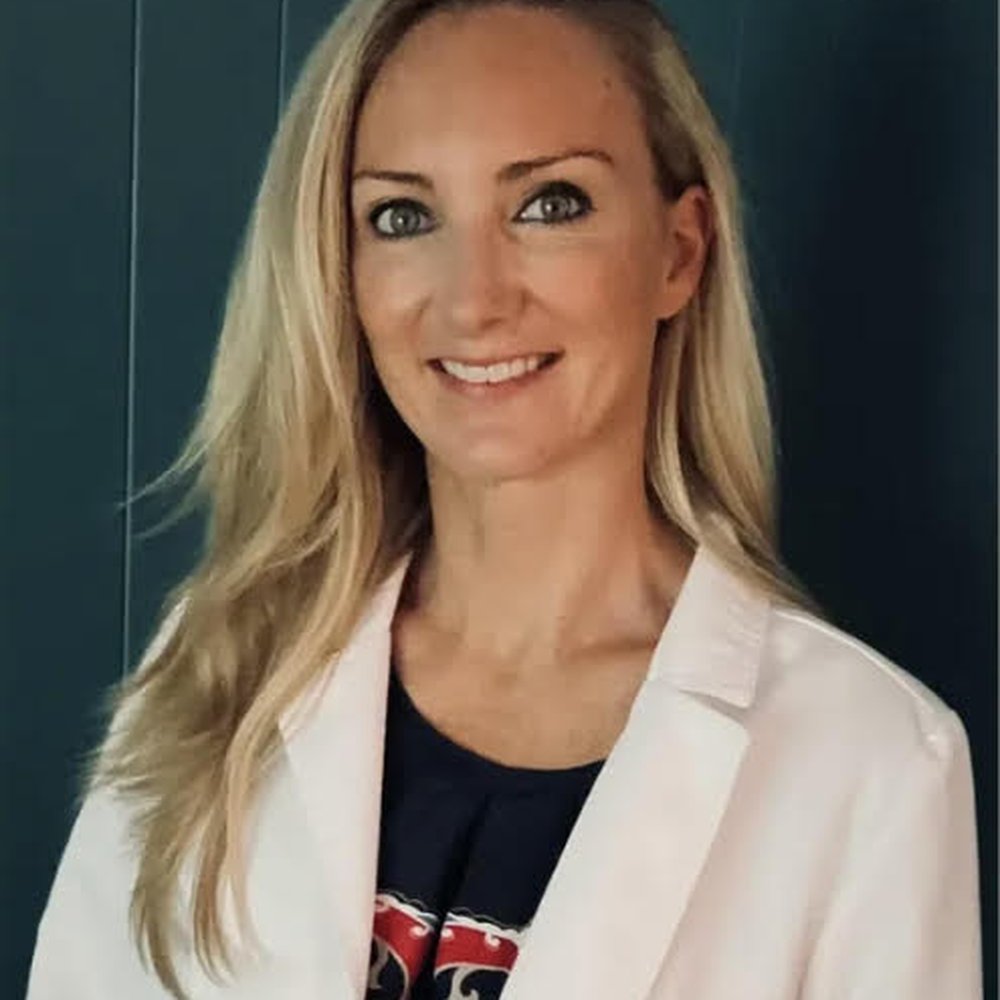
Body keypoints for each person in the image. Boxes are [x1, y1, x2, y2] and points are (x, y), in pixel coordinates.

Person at [27, 0, 982, 997]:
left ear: (678, 251)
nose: (473, 300)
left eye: (549, 204)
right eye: (402, 217)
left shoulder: (870, 765)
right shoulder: (219, 664)